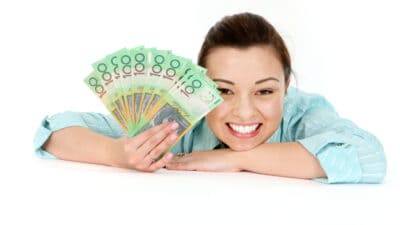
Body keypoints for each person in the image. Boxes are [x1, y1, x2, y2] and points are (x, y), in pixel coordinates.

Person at [34, 12, 386, 184]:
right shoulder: (181, 117)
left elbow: (369, 157)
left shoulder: (303, 112)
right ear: (199, 87)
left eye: (264, 91)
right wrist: (115, 152)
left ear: (287, 84)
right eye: (223, 90)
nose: (245, 112)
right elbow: (55, 129)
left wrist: (236, 159)